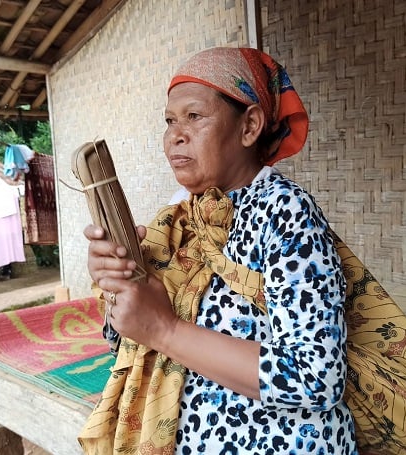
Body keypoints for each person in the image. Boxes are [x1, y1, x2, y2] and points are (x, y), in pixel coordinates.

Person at [78, 47, 358, 454]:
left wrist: (165, 330)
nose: (175, 134)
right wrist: (116, 288)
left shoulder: (286, 214)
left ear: (249, 127)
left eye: (194, 117)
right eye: (170, 121)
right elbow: (123, 344)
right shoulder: (175, 222)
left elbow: (316, 377)